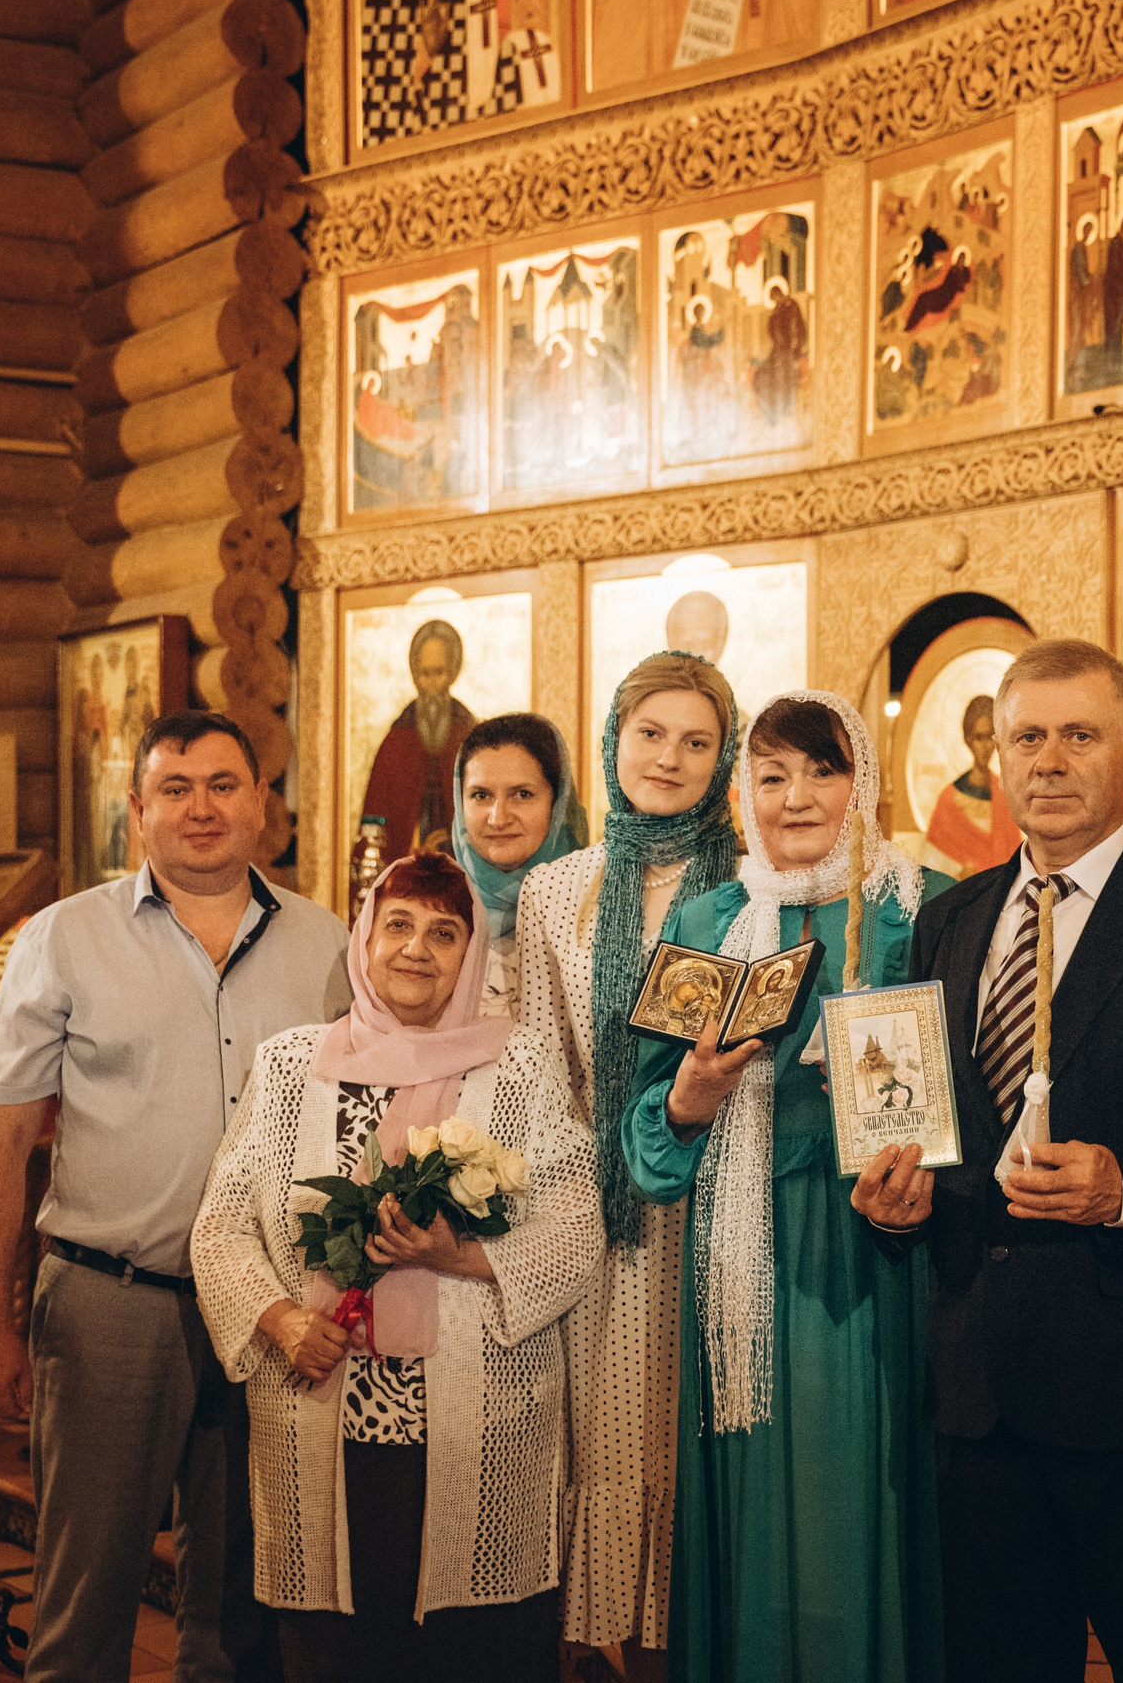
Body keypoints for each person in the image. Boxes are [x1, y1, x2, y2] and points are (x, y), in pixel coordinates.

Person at [892, 638, 1123, 1683]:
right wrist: (895, 1197)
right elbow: (932, 1134)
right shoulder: (948, 920)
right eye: (1026, 736)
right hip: (976, 1397)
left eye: (1078, 734)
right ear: (997, 758)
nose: (1048, 760)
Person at [0, 709, 351, 1683]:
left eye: (224, 784)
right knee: (85, 1591)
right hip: (110, 1304)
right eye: (175, 788)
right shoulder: (62, 938)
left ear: (265, 803)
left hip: (268, 1315)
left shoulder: (330, 944)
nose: (201, 807)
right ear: (136, 810)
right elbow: (1, 1138)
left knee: (241, 1602)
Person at [191, 852, 601, 1683]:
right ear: (365, 936)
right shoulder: (289, 1065)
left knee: (475, 1653)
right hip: (320, 1412)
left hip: (482, 1421)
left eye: (445, 933)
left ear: (471, 953)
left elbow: (574, 1229)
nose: (418, 949)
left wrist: (465, 1257)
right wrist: (281, 1319)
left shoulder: (517, 1066)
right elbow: (221, 1228)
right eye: (400, 924)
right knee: (338, 1651)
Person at [620, 691, 955, 1683]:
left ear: (865, 778)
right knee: (755, 1510)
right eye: (771, 774)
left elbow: (971, 1102)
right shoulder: (707, 920)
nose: (797, 795)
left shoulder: (923, 905)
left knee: (862, 1497)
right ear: (741, 792)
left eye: (822, 768)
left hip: (880, 1253)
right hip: (741, 1253)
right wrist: (685, 1097)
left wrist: (927, 1178)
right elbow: (648, 1146)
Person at [499, 651, 743, 1677]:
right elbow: (539, 1062)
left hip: (719, 1217)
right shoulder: (557, 888)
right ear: (614, 739)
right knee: (602, 1453)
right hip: (594, 1222)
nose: (669, 758)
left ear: (724, 756)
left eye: (696, 741)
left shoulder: (746, 880)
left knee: (695, 1459)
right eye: (651, 733)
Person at [451, 712, 586, 1016]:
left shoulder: (596, 908)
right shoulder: (433, 911)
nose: (498, 817)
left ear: (558, 803)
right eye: (481, 795)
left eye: (522, 794)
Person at [363, 620, 477, 861]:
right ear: (414, 674)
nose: (432, 684)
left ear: (453, 671)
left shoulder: (468, 734)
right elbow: (377, 813)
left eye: (439, 672)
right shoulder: (397, 739)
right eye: (424, 674)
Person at [922, 694, 1020, 880]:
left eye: (990, 738)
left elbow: (1017, 859)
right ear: (968, 739)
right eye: (979, 737)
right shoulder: (949, 799)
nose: (985, 747)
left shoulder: (1005, 794)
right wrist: (959, 876)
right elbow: (931, 874)